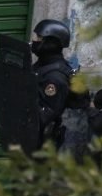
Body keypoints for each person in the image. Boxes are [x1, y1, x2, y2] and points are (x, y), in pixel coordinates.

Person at [31, 19, 75, 148]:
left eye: (39, 37)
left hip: (41, 143)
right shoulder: (44, 64)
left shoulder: (55, 77)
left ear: (51, 43)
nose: (34, 40)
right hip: (32, 138)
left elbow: (45, 116)